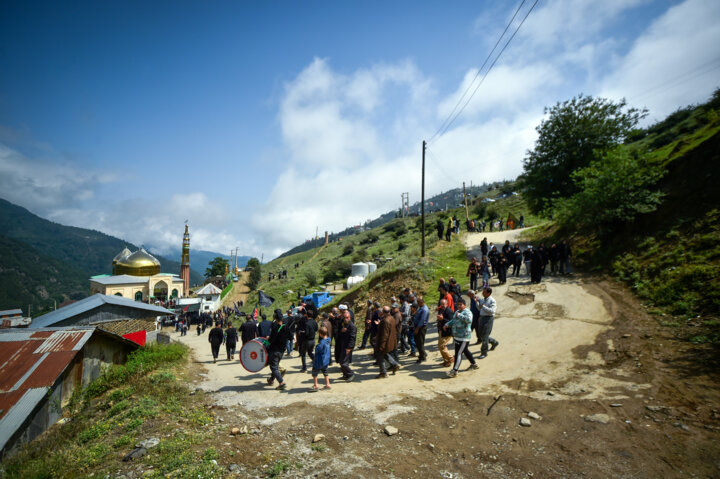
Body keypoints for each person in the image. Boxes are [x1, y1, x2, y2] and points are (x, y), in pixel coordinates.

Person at [443, 299, 478, 377]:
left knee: (458, 353)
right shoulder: (457, 312)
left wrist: (459, 315)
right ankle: (474, 364)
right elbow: (453, 321)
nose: (459, 306)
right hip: (457, 336)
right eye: (458, 304)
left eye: (461, 304)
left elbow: (469, 320)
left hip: (464, 337)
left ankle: (454, 371)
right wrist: (447, 324)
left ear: (464, 305)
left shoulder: (468, 312)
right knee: (465, 351)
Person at [266, 312, 291, 390]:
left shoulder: (275, 328)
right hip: (282, 350)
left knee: (273, 367)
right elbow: (290, 337)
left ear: (275, 319)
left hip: (275, 350)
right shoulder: (286, 327)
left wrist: (268, 339)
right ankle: (271, 379)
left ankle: (281, 382)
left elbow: (271, 340)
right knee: (275, 366)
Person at [376, 306, 401, 378]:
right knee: (384, 354)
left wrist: (382, 345)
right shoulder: (391, 318)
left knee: (380, 355)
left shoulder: (385, 321)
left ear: (383, 312)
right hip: (391, 341)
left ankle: (383, 372)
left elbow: (385, 334)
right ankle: (394, 364)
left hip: (385, 342)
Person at [478, 287, 499, 359]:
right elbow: (479, 308)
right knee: (481, 335)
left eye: (484, 292)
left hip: (488, 319)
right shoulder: (482, 299)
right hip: (482, 318)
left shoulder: (492, 301)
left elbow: (492, 311)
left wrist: (483, 306)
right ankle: (494, 342)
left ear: (488, 293)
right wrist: (477, 303)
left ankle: (484, 352)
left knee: (484, 336)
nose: (482, 293)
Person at [309, 326, 332, 391]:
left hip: (319, 361)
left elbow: (317, 350)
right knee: (325, 372)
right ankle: (328, 384)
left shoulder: (321, 344)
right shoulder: (328, 340)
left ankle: (316, 385)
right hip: (326, 361)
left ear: (320, 334)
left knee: (315, 373)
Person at [338, 309, 357, 381]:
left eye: (347, 318)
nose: (345, 319)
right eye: (344, 318)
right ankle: (345, 374)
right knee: (341, 361)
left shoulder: (352, 326)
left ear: (350, 318)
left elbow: (353, 338)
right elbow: (340, 334)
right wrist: (342, 331)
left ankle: (350, 374)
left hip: (348, 347)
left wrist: (349, 348)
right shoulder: (344, 325)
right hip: (343, 345)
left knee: (344, 363)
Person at [436, 299, 454, 367]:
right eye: (441, 304)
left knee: (442, 346)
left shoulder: (449, 311)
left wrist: (442, 319)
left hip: (447, 332)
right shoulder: (441, 310)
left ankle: (450, 358)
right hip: (441, 330)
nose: (442, 305)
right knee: (440, 346)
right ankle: (446, 361)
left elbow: (451, 321)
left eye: (443, 304)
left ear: (446, 304)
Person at [413, 296, 429, 363]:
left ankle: (422, 357)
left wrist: (417, 329)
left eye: (418, 302)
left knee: (420, 342)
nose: (417, 303)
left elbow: (422, 320)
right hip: (418, 326)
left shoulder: (424, 309)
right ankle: (423, 353)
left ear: (422, 302)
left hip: (421, 327)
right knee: (417, 341)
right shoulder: (421, 308)